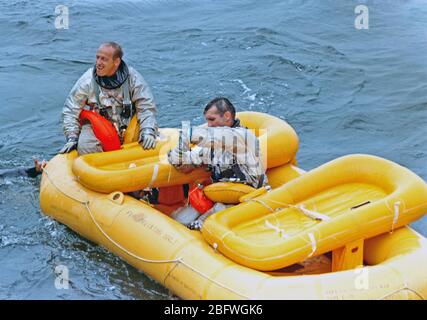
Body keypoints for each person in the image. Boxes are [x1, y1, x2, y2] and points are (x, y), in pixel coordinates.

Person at [168, 97, 267, 229]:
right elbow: (185, 162)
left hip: (248, 199)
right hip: (220, 197)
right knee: (179, 220)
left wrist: (189, 134)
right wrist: (177, 154)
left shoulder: (243, 136)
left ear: (227, 116)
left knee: (212, 217)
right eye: (207, 120)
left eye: (212, 119)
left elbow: (218, 137)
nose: (209, 125)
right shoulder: (212, 147)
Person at [59, 42, 158, 155]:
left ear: (116, 62)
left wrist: (148, 131)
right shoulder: (87, 80)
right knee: (86, 146)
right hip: (99, 130)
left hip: (128, 128)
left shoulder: (133, 79)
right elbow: (71, 110)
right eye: (97, 58)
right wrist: (72, 137)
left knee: (148, 144)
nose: (98, 63)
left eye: (104, 59)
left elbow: (146, 107)